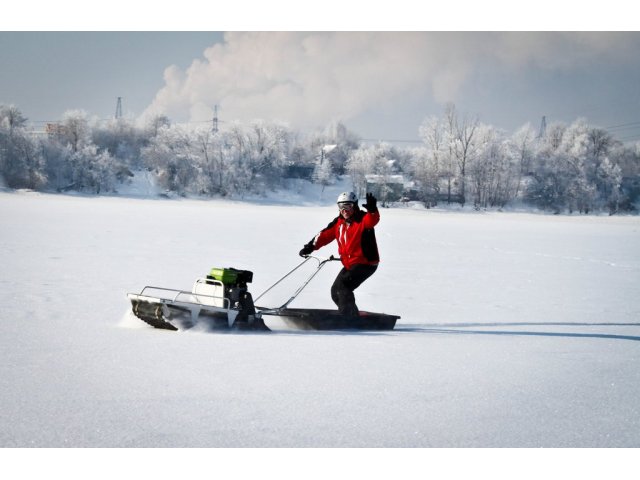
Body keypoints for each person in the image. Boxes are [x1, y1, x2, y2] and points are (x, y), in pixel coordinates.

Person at [299, 191, 380, 317]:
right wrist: (310, 247)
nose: (344, 210)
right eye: (341, 207)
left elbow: (372, 220)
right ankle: (352, 314)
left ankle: (348, 318)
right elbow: (324, 235)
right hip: (350, 263)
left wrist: (373, 210)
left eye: (347, 206)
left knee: (343, 287)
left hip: (365, 263)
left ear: (354, 205)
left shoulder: (363, 219)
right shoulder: (339, 222)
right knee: (335, 291)